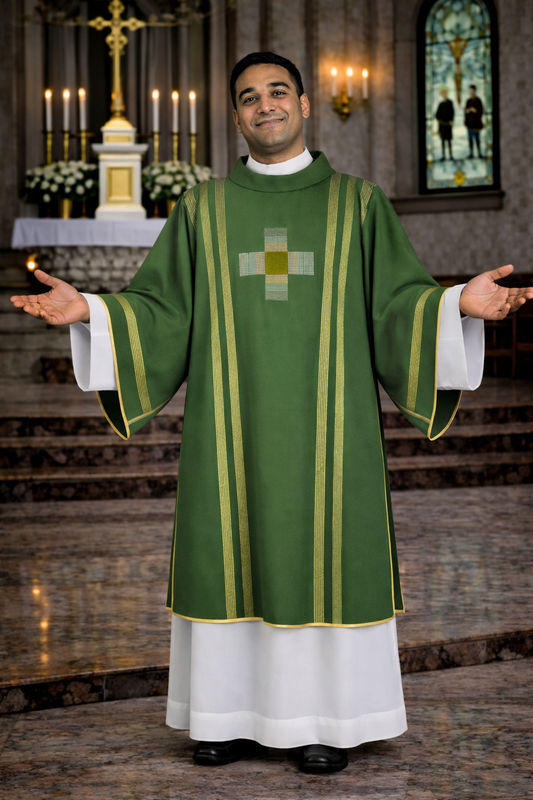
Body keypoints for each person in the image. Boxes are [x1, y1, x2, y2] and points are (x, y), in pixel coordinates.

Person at [11, 52, 533, 774]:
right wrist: (92, 311)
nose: (264, 106)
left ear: (305, 104)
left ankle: (328, 720)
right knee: (227, 548)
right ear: (235, 116)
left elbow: (395, 306)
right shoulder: (203, 209)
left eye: (276, 92)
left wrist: (453, 303)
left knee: (320, 547)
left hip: (331, 433)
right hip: (230, 431)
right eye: (248, 98)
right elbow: (159, 310)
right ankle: (224, 717)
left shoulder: (357, 204)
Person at [465, 84, 484, 159]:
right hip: (470, 123)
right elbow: (466, 111)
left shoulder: (478, 100)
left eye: (472, 90)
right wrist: (467, 110)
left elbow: (481, 110)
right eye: (470, 90)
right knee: (470, 139)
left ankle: (479, 153)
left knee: (477, 139)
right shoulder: (468, 101)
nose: (471, 91)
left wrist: (475, 110)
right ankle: (471, 154)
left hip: (476, 123)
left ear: (474, 90)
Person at [435, 87, 454, 161]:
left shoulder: (450, 103)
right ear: (441, 95)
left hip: (448, 125)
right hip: (442, 126)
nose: (443, 95)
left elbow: (452, 112)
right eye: (442, 93)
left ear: (446, 94)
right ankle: (443, 156)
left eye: (444, 93)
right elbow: (437, 114)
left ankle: (451, 156)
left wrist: (451, 120)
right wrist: (440, 120)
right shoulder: (440, 104)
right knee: (443, 141)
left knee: (449, 141)